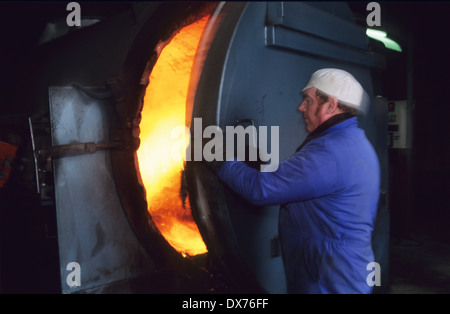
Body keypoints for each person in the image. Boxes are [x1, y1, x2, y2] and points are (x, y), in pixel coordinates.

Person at [211, 68, 380, 293]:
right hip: (340, 269)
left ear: (331, 105)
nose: (300, 107)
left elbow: (260, 190)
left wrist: (219, 158)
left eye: (308, 100)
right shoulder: (351, 142)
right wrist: (253, 158)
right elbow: (301, 179)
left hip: (329, 278)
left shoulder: (330, 151)